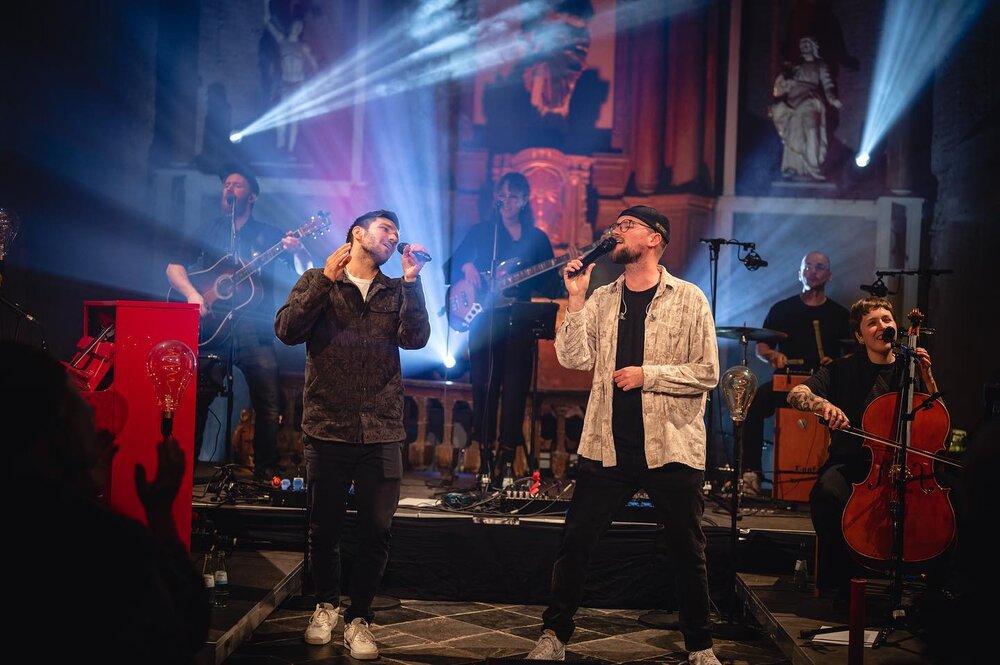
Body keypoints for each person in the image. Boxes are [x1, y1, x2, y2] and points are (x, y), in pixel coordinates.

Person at [526, 206, 722, 665]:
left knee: (687, 551)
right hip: (607, 445)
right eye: (616, 225)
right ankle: (554, 635)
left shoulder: (688, 298)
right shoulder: (602, 298)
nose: (616, 232)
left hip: (670, 446)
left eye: (627, 226)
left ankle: (700, 645)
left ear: (655, 238)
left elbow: (707, 371)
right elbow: (574, 358)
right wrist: (575, 298)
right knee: (576, 542)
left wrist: (647, 375)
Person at [274, 210, 430, 659]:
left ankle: (359, 617)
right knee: (324, 528)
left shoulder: (395, 289)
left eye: (397, 233)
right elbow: (286, 330)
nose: (394, 238)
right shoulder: (317, 279)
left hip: (381, 427)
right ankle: (325, 606)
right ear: (358, 234)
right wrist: (325, 280)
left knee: (377, 529)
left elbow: (415, 339)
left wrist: (413, 281)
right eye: (386, 230)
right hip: (328, 425)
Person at [5, 342, 209, 663]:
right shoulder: (108, 543)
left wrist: (81, 487)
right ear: (59, 429)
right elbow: (189, 623)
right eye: (78, 399)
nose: (92, 408)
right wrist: (160, 513)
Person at [786, 296, 938, 596]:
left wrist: (928, 377)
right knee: (827, 494)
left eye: (887, 320)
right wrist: (823, 405)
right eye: (872, 323)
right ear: (859, 336)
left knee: (954, 496)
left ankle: (936, 587)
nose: (882, 326)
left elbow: (936, 419)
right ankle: (842, 583)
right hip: (852, 464)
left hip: (907, 466)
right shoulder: (842, 369)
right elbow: (796, 393)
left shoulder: (910, 370)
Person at [166, 166, 311, 478]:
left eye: (237, 185)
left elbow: (305, 269)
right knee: (197, 400)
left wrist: (298, 249)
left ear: (252, 196)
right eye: (226, 185)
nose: (229, 189)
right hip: (212, 327)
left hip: (254, 330)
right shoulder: (209, 229)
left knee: (269, 403)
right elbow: (173, 267)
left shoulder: (269, 235)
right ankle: (184, 473)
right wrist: (193, 295)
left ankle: (264, 473)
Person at [445, 172, 562, 482]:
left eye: (513, 197)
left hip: (519, 325)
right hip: (483, 322)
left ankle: (506, 460)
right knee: (483, 386)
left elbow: (550, 285)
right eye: (502, 195)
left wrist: (567, 274)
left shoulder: (536, 239)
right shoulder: (483, 232)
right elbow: (449, 266)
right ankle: (483, 458)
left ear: (524, 201)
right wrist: (466, 266)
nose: (506, 201)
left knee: (515, 390)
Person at [741, 251, 849, 494]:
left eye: (820, 267)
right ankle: (751, 473)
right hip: (787, 383)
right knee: (753, 404)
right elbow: (762, 346)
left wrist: (836, 363)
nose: (813, 271)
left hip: (824, 387)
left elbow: (853, 353)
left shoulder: (840, 315)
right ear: (800, 273)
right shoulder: (782, 309)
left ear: (829, 275)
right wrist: (773, 355)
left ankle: (837, 478)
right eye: (808, 266)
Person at [769, 36, 843, 180]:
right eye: (802, 45)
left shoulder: (820, 64)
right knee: (794, 132)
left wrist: (832, 98)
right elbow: (783, 83)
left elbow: (828, 84)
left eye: (807, 44)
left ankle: (812, 166)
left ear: (813, 46)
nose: (804, 47)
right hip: (793, 100)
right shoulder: (795, 65)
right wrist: (786, 80)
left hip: (810, 100)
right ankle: (792, 167)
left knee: (811, 131)